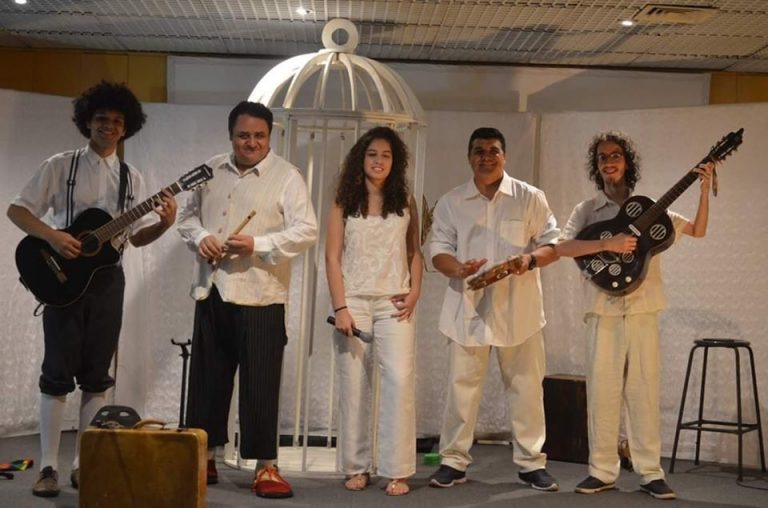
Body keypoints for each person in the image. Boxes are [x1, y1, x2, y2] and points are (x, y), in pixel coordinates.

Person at [7, 81, 177, 498]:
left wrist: (164, 224)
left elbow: (135, 238)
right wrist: (52, 237)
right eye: (102, 119)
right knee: (56, 374)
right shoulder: (60, 166)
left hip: (107, 283)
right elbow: (17, 210)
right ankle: (47, 466)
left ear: (127, 127)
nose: (109, 126)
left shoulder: (132, 178)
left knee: (97, 377)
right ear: (87, 121)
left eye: (118, 121)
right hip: (61, 280)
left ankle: (85, 463)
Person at [556, 131, 714, 500]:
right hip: (602, 309)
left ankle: (649, 472)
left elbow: (698, 230)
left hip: (644, 307)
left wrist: (704, 189)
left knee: (644, 391)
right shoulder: (587, 210)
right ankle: (601, 471)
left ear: (627, 162)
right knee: (602, 393)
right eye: (602, 157)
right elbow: (562, 247)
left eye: (615, 155)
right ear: (596, 167)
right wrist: (606, 243)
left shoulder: (650, 208)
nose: (609, 162)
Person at [177, 101, 317, 499]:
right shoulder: (210, 170)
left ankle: (265, 465)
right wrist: (201, 237)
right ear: (231, 136)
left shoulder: (287, 176)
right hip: (213, 289)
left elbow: (307, 231)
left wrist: (258, 244)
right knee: (207, 380)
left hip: (262, 296)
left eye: (259, 136)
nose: (251, 143)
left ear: (270, 136)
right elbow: (187, 218)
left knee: (260, 383)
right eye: (243, 135)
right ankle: (204, 456)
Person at [427, 127, 561, 491]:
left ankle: (531, 463)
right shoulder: (452, 201)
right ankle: (453, 461)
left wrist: (529, 260)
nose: (486, 157)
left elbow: (554, 245)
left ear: (505, 155)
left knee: (526, 389)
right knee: (461, 389)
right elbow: (438, 250)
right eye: (479, 151)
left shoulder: (529, 197)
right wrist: (458, 269)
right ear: (469, 157)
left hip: (520, 310)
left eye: (493, 151)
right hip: (467, 308)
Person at [325, 126, 423, 496]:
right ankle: (356, 466)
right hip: (353, 301)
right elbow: (332, 257)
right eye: (372, 154)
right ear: (360, 158)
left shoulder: (405, 199)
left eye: (386, 155)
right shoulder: (344, 200)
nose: (379, 161)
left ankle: (397, 470)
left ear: (395, 161)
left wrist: (415, 292)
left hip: (394, 301)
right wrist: (340, 307)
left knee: (399, 379)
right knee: (353, 384)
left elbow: (415, 251)